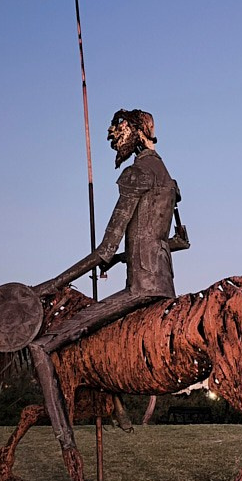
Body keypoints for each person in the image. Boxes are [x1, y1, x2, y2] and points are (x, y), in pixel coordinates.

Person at [27, 108, 186, 454]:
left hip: (141, 289)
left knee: (40, 346)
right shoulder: (167, 178)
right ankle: (114, 404)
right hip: (165, 284)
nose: (112, 137)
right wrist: (121, 258)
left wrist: (49, 286)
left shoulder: (136, 174)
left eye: (119, 130)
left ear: (136, 130)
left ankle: (65, 440)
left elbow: (104, 250)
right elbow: (177, 241)